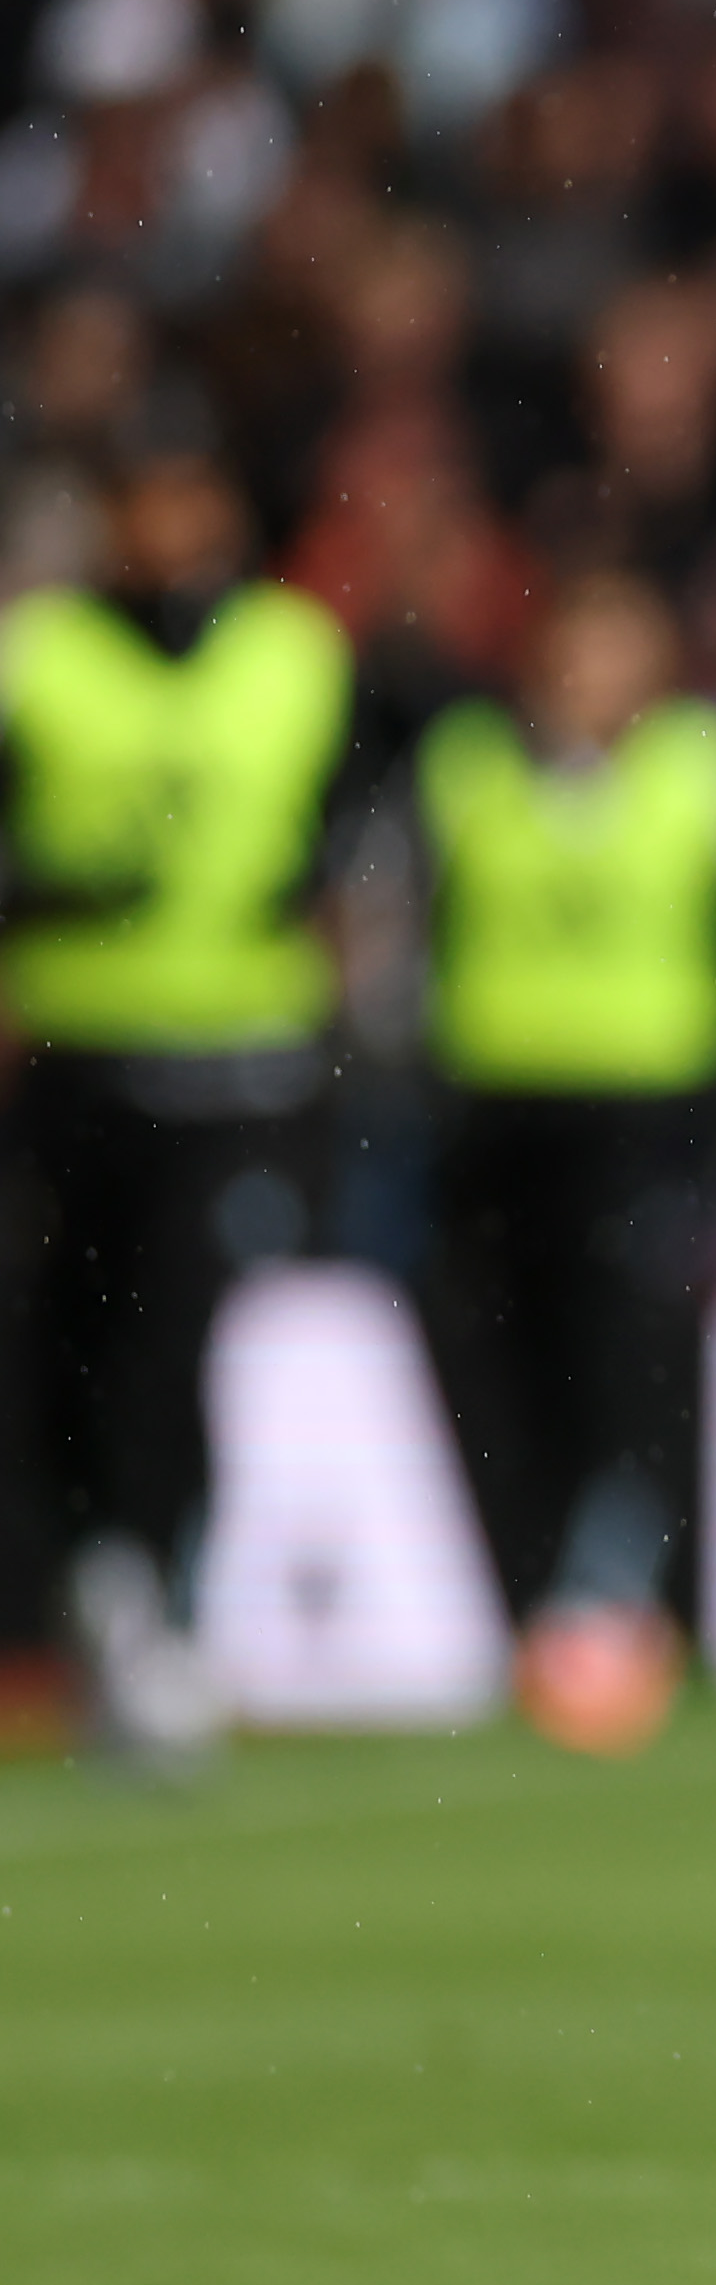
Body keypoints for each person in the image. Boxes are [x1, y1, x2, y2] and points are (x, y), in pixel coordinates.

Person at [0, 406, 354, 1768]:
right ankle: (109, 1596)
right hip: (76, 1061)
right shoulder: (38, 655)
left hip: (244, 1063)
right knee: (69, 1340)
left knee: (169, 1340)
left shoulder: (293, 655)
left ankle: (150, 1592)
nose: (167, 528)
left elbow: (342, 841)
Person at [411, 570, 716, 1756]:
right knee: (503, 1368)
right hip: (495, 1114)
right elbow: (403, 926)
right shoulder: (466, 765)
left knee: (629, 1365)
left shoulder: (704, 768)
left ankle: (615, 1601)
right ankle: (531, 1610)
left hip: (648, 1112)